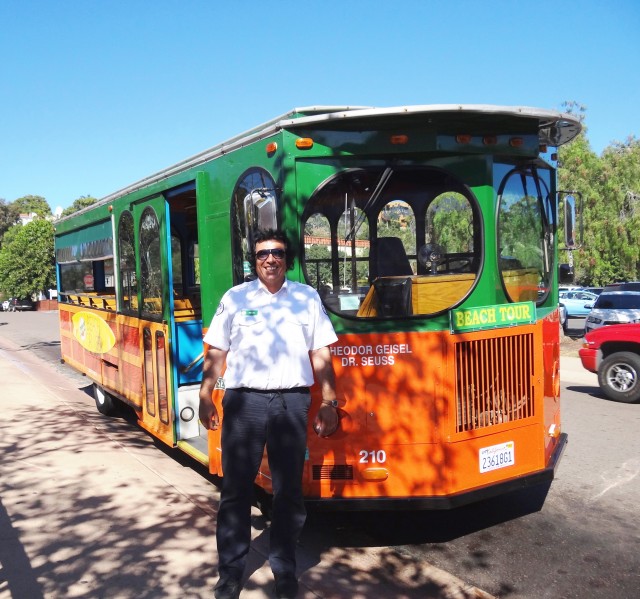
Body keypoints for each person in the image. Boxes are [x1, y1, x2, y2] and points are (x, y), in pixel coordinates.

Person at [199, 228, 340, 599]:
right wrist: (204, 394)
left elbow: (322, 354)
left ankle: (284, 570)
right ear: (254, 260)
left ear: (287, 258)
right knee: (235, 491)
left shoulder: (306, 299)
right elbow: (216, 352)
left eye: (276, 253)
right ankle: (230, 573)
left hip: (291, 403)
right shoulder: (235, 298)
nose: (270, 259)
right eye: (262, 254)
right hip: (244, 403)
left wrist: (329, 401)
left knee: (288, 492)